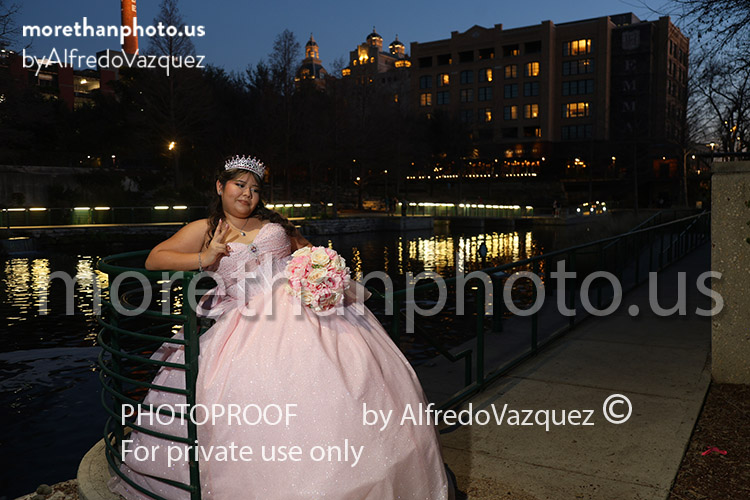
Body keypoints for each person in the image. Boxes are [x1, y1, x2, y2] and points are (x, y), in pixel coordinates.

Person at [108, 155, 452, 500]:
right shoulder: (205, 229)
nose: (247, 194)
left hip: (305, 309)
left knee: (347, 379)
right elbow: (156, 258)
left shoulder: (275, 223)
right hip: (248, 321)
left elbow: (309, 251)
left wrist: (319, 270)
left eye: (255, 189)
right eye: (240, 185)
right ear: (220, 186)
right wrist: (205, 257)